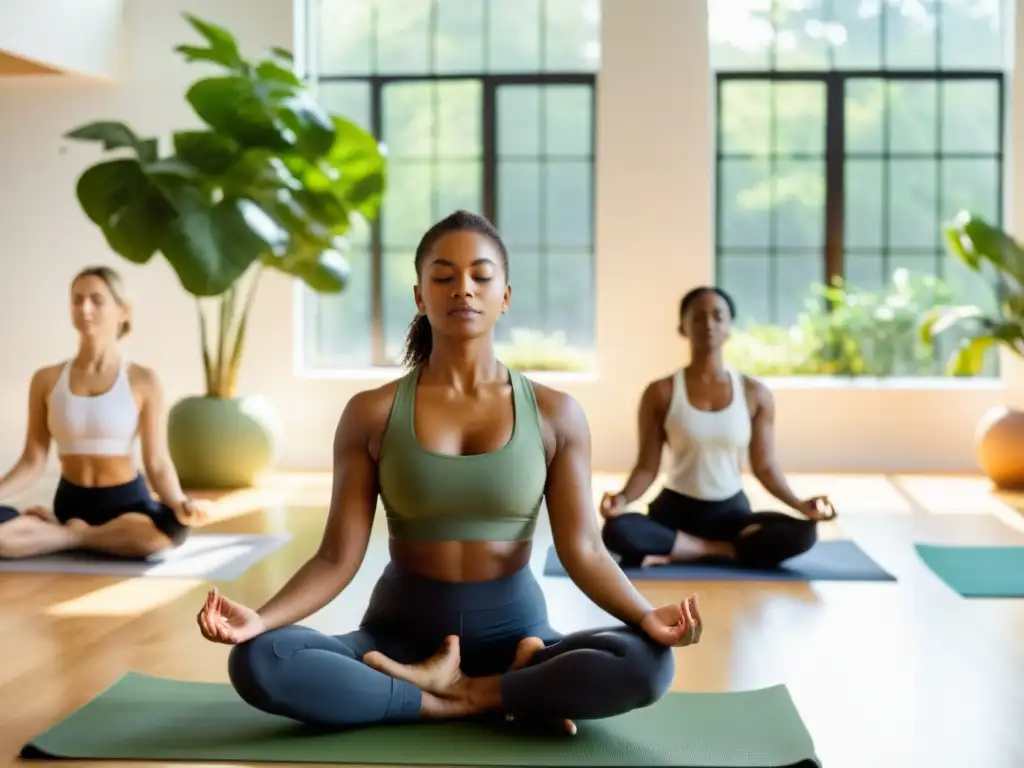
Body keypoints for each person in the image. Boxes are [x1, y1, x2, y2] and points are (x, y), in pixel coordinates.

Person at [196, 210, 702, 734]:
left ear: (505, 295)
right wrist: (261, 619)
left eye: (481, 276)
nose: (463, 289)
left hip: (519, 636)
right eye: (443, 276)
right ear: (420, 295)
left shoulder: (556, 413)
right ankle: (474, 698)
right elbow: (335, 557)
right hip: (395, 638)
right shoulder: (370, 412)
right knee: (260, 660)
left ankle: (468, 688)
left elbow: (586, 551)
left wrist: (646, 617)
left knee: (648, 664)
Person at [598, 286, 837, 570]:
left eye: (717, 316)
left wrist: (799, 504)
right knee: (616, 530)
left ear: (729, 328)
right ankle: (726, 552)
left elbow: (765, 467)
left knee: (804, 533)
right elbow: (647, 467)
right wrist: (622, 499)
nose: (708, 325)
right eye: (698, 317)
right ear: (682, 328)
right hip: (674, 511)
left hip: (730, 512)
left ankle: (686, 550)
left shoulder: (755, 393)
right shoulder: (660, 392)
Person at [0, 266, 204, 559]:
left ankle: (70, 535)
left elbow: (157, 462)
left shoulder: (143, 380)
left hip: (126, 502)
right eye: (77, 299)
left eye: (97, 300)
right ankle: (85, 535)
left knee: (171, 528)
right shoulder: (46, 379)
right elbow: (33, 460)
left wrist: (180, 502)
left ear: (123, 311)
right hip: (71, 501)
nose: (84, 308)